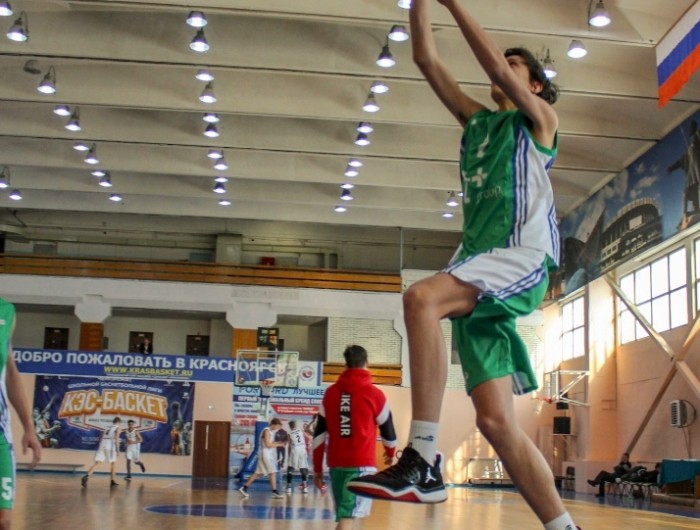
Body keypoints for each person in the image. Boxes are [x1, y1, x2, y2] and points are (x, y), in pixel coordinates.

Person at [347, 2, 579, 529]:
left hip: (521, 257)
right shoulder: (477, 123)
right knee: (495, 422)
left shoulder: (540, 123)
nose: (502, 67)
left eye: (516, 65)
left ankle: (422, 458)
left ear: (534, 85)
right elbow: (426, 59)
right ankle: (563, 526)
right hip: (479, 265)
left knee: (421, 298)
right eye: (507, 62)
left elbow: (493, 64)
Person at [312, 345, 397, 530]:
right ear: (367, 363)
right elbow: (388, 429)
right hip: (361, 466)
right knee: (348, 517)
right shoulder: (375, 394)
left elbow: (318, 436)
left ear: (346, 364)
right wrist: (390, 452)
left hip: (336, 466)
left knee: (347, 516)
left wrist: (317, 469)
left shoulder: (330, 393)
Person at [0, 298, 42, 530]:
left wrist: (28, 427)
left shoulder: (6, 312)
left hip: (0, 434)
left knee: (3, 521)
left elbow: (10, 372)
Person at [238, 417, 286, 499]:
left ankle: (244, 488)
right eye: (278, 426)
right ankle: (274, 492)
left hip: (264, 454)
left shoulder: (270, 432)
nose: (277, 428)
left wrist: (277, 443)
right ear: (274, 424)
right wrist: (279, 445)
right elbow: (267, 444)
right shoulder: (266, 431)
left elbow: (270, 443)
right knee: (273, 472)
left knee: (257, 473)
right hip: (265, 454)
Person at [81, 417, 122, 488]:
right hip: (110, 444)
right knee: (113, 463)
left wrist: (102, 445)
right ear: (119, 422)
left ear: (113, 422)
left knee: (98, 463)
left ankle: (86, 476)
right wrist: (118, 450)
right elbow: (116, 438)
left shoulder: (106, 427)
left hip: (103, 444)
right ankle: (112, 481)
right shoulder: (118, 428)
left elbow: (101, 437)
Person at [285, 420, 310, 494]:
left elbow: (289, 445)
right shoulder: (300, 430)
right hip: (302, 449)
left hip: (295, 449)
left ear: (290, 426)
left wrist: (289, 455)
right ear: (295, 425)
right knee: (303, 468)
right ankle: (305, 488)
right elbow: (308, 437)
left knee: (290, 467)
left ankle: (289, 488)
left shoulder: (290, 433)